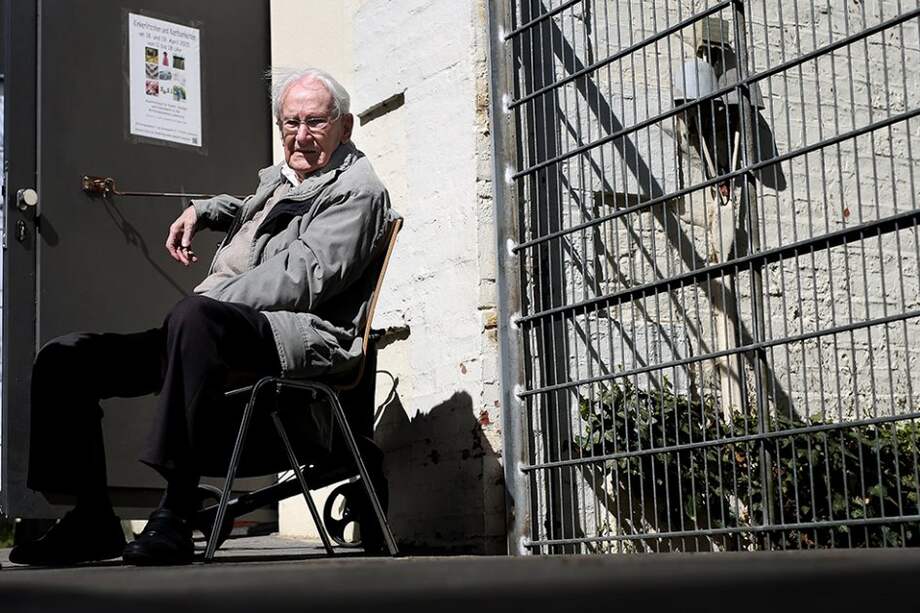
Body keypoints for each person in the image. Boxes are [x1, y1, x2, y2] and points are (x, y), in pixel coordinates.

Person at [9, 67, 395, 566]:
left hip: (300, 335)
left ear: (345, 126)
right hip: (220, 326)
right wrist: (204, 210)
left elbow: (304, 277)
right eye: (291, 122)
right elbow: (260, 211)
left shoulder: (358, 190)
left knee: (194, 319)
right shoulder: (292, 179)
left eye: (316, 122)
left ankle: (174, 511)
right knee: (66, 359)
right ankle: (90, 518)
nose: (301, 135)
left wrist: (212, 301)